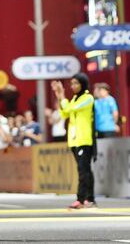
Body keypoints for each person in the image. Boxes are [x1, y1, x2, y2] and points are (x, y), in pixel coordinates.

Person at [52, 73, 96, 209]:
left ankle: (81, 199)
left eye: (76, 83)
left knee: (84, 171)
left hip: (84, 139)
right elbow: (65, 113)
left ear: (82, 84)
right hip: (74, 140)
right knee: (84, 170)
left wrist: (63, 96)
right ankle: (89, 199)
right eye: (71, 84)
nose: (73, 86)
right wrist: (60, 97)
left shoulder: (88, 98)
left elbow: (70, 109)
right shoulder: (74, 99)